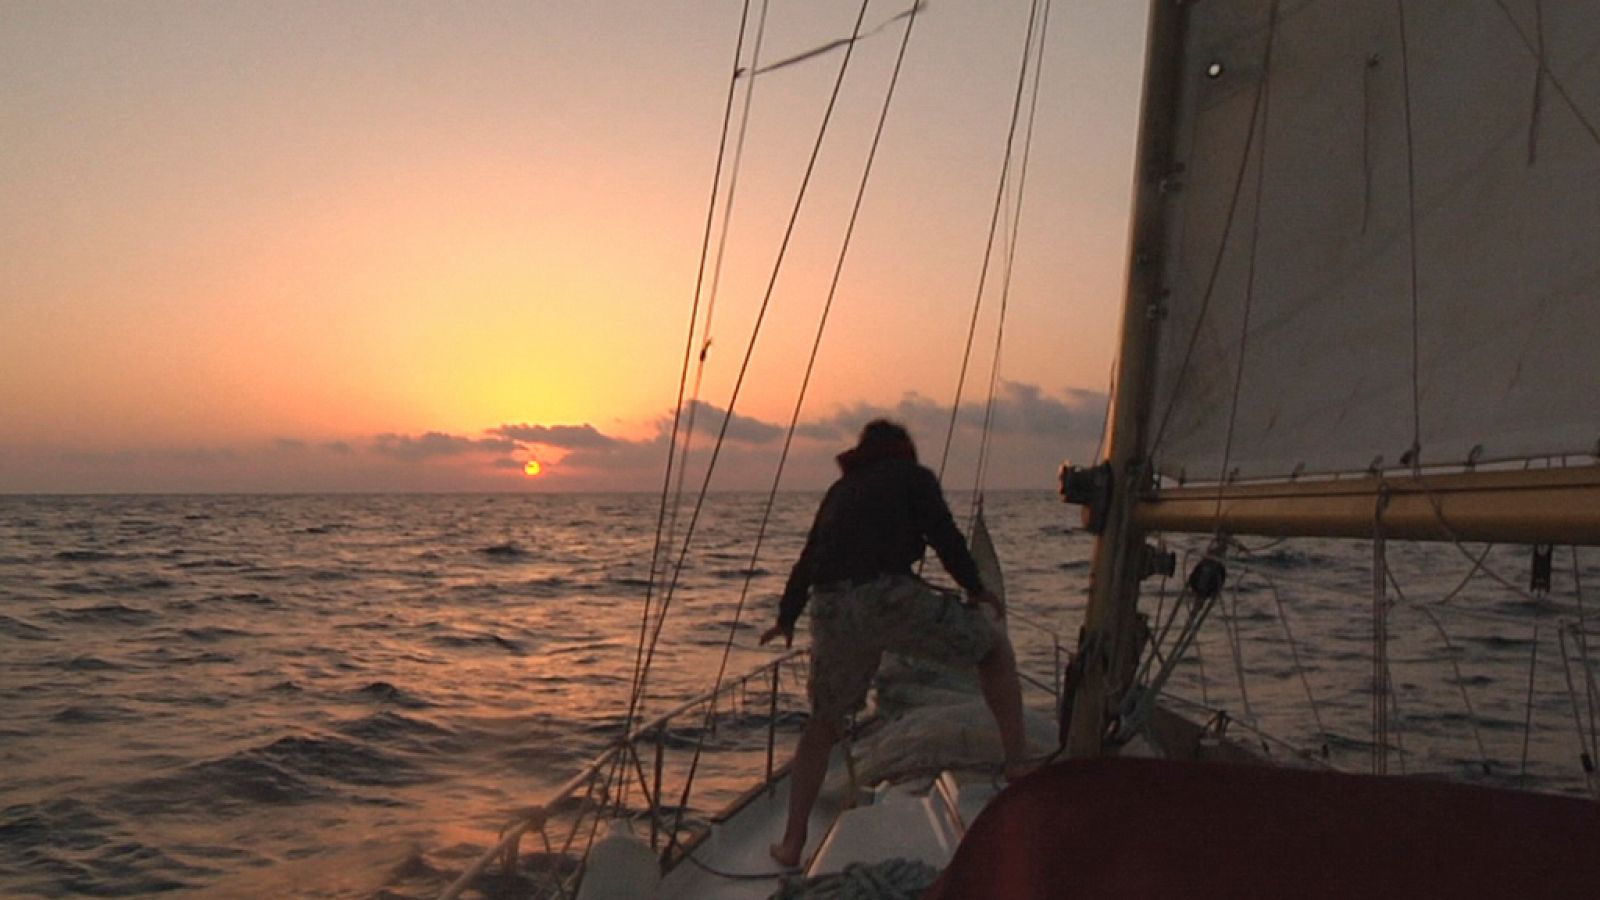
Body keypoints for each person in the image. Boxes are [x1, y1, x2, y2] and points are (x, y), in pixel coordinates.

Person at [759, 419, 1032, 868]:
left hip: (831, 609)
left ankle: (791, 843)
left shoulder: (839, 492)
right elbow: (945, 537)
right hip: (887, 597)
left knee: (823, 724)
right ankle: (1019, 765)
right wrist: (976, 588)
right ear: (901, 448)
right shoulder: (913, 478)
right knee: (994, 652)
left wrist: (786, 617)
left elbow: (809, 559)